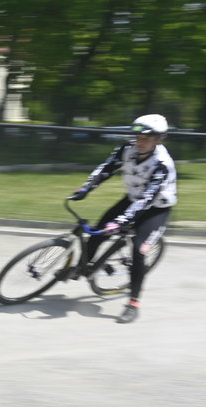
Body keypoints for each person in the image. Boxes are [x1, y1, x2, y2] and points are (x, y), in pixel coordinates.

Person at [69, 113, 176, 324]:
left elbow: (147, 199)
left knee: (138, 251)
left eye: (146, 138)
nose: (140, 142)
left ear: (158, 139)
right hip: (131, 199)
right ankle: (84, 267)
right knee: (98, 231)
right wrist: (86, 188)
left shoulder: (162, 164)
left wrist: (121, 221)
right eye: (138, 138)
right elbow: (107, 168)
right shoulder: (128, 149)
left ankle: (133, 303)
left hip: (156, 208)